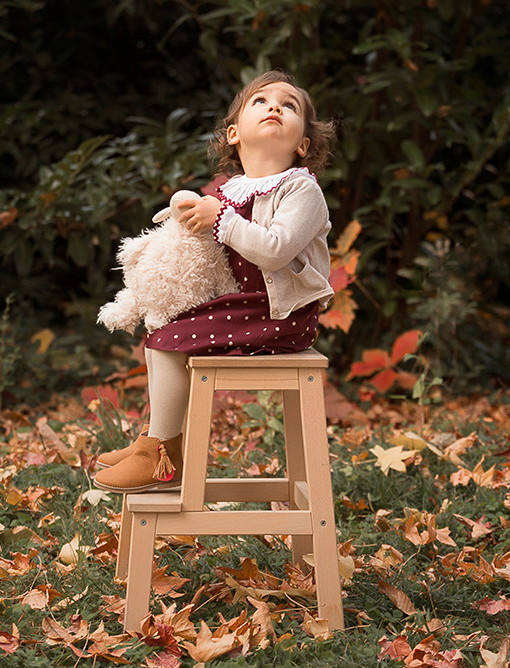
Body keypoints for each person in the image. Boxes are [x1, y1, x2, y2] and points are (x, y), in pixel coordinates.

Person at [93, 70, 337, 494]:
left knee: (169, 339)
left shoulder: (301, 190)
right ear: (234, 134)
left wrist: (220, 218)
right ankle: (157, 442)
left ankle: (161, 457)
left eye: (289, 105)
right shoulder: (231, 190)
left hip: (283, 315)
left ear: (303, 144)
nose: (275, 107)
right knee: (162, 330)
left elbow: (275, 249)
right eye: (261, 101)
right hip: (245, 305)